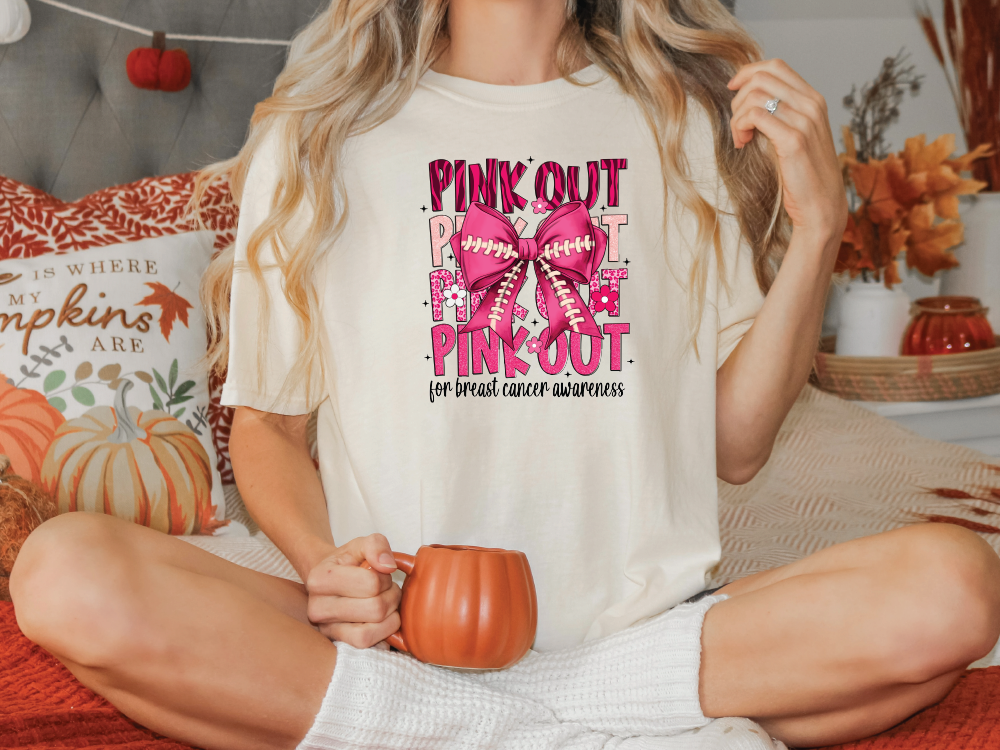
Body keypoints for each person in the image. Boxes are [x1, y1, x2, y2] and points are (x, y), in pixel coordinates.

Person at [11, 0, 1000, 748]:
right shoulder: (319, 136)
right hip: (396, 636)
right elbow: (268, 427)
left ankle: (434, 726)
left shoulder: (678, 125)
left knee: (954, 586)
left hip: (639, 634)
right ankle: (527, 723)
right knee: (62, 573)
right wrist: (321, 565)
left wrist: (820, 225)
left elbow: (734, 448)